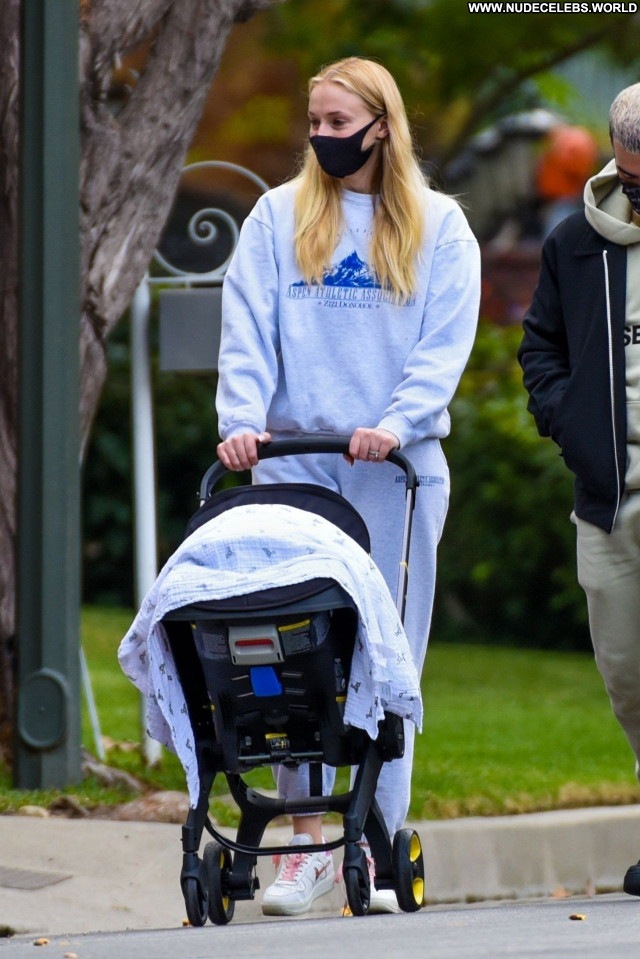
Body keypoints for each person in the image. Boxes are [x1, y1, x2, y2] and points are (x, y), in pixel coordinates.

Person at [216, 56, 480, 915]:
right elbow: (247, 328)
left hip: (392, 473)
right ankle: (304, 842)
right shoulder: (278, 216)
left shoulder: (441, 228)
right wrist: (241, 420)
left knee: (384, 655)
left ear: (382, 127)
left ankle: (372, 834)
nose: (322, 137)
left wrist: (396, 423)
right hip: (296, 462)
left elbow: (442, 349)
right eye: (315, 123)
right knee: (291, 651)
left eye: (338, 123)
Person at [518, 83, 640, 895]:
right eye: (631, 178)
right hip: (608, 495)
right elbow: (541, 349)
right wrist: (575, 429)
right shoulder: (576, 243)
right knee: (628, 674)